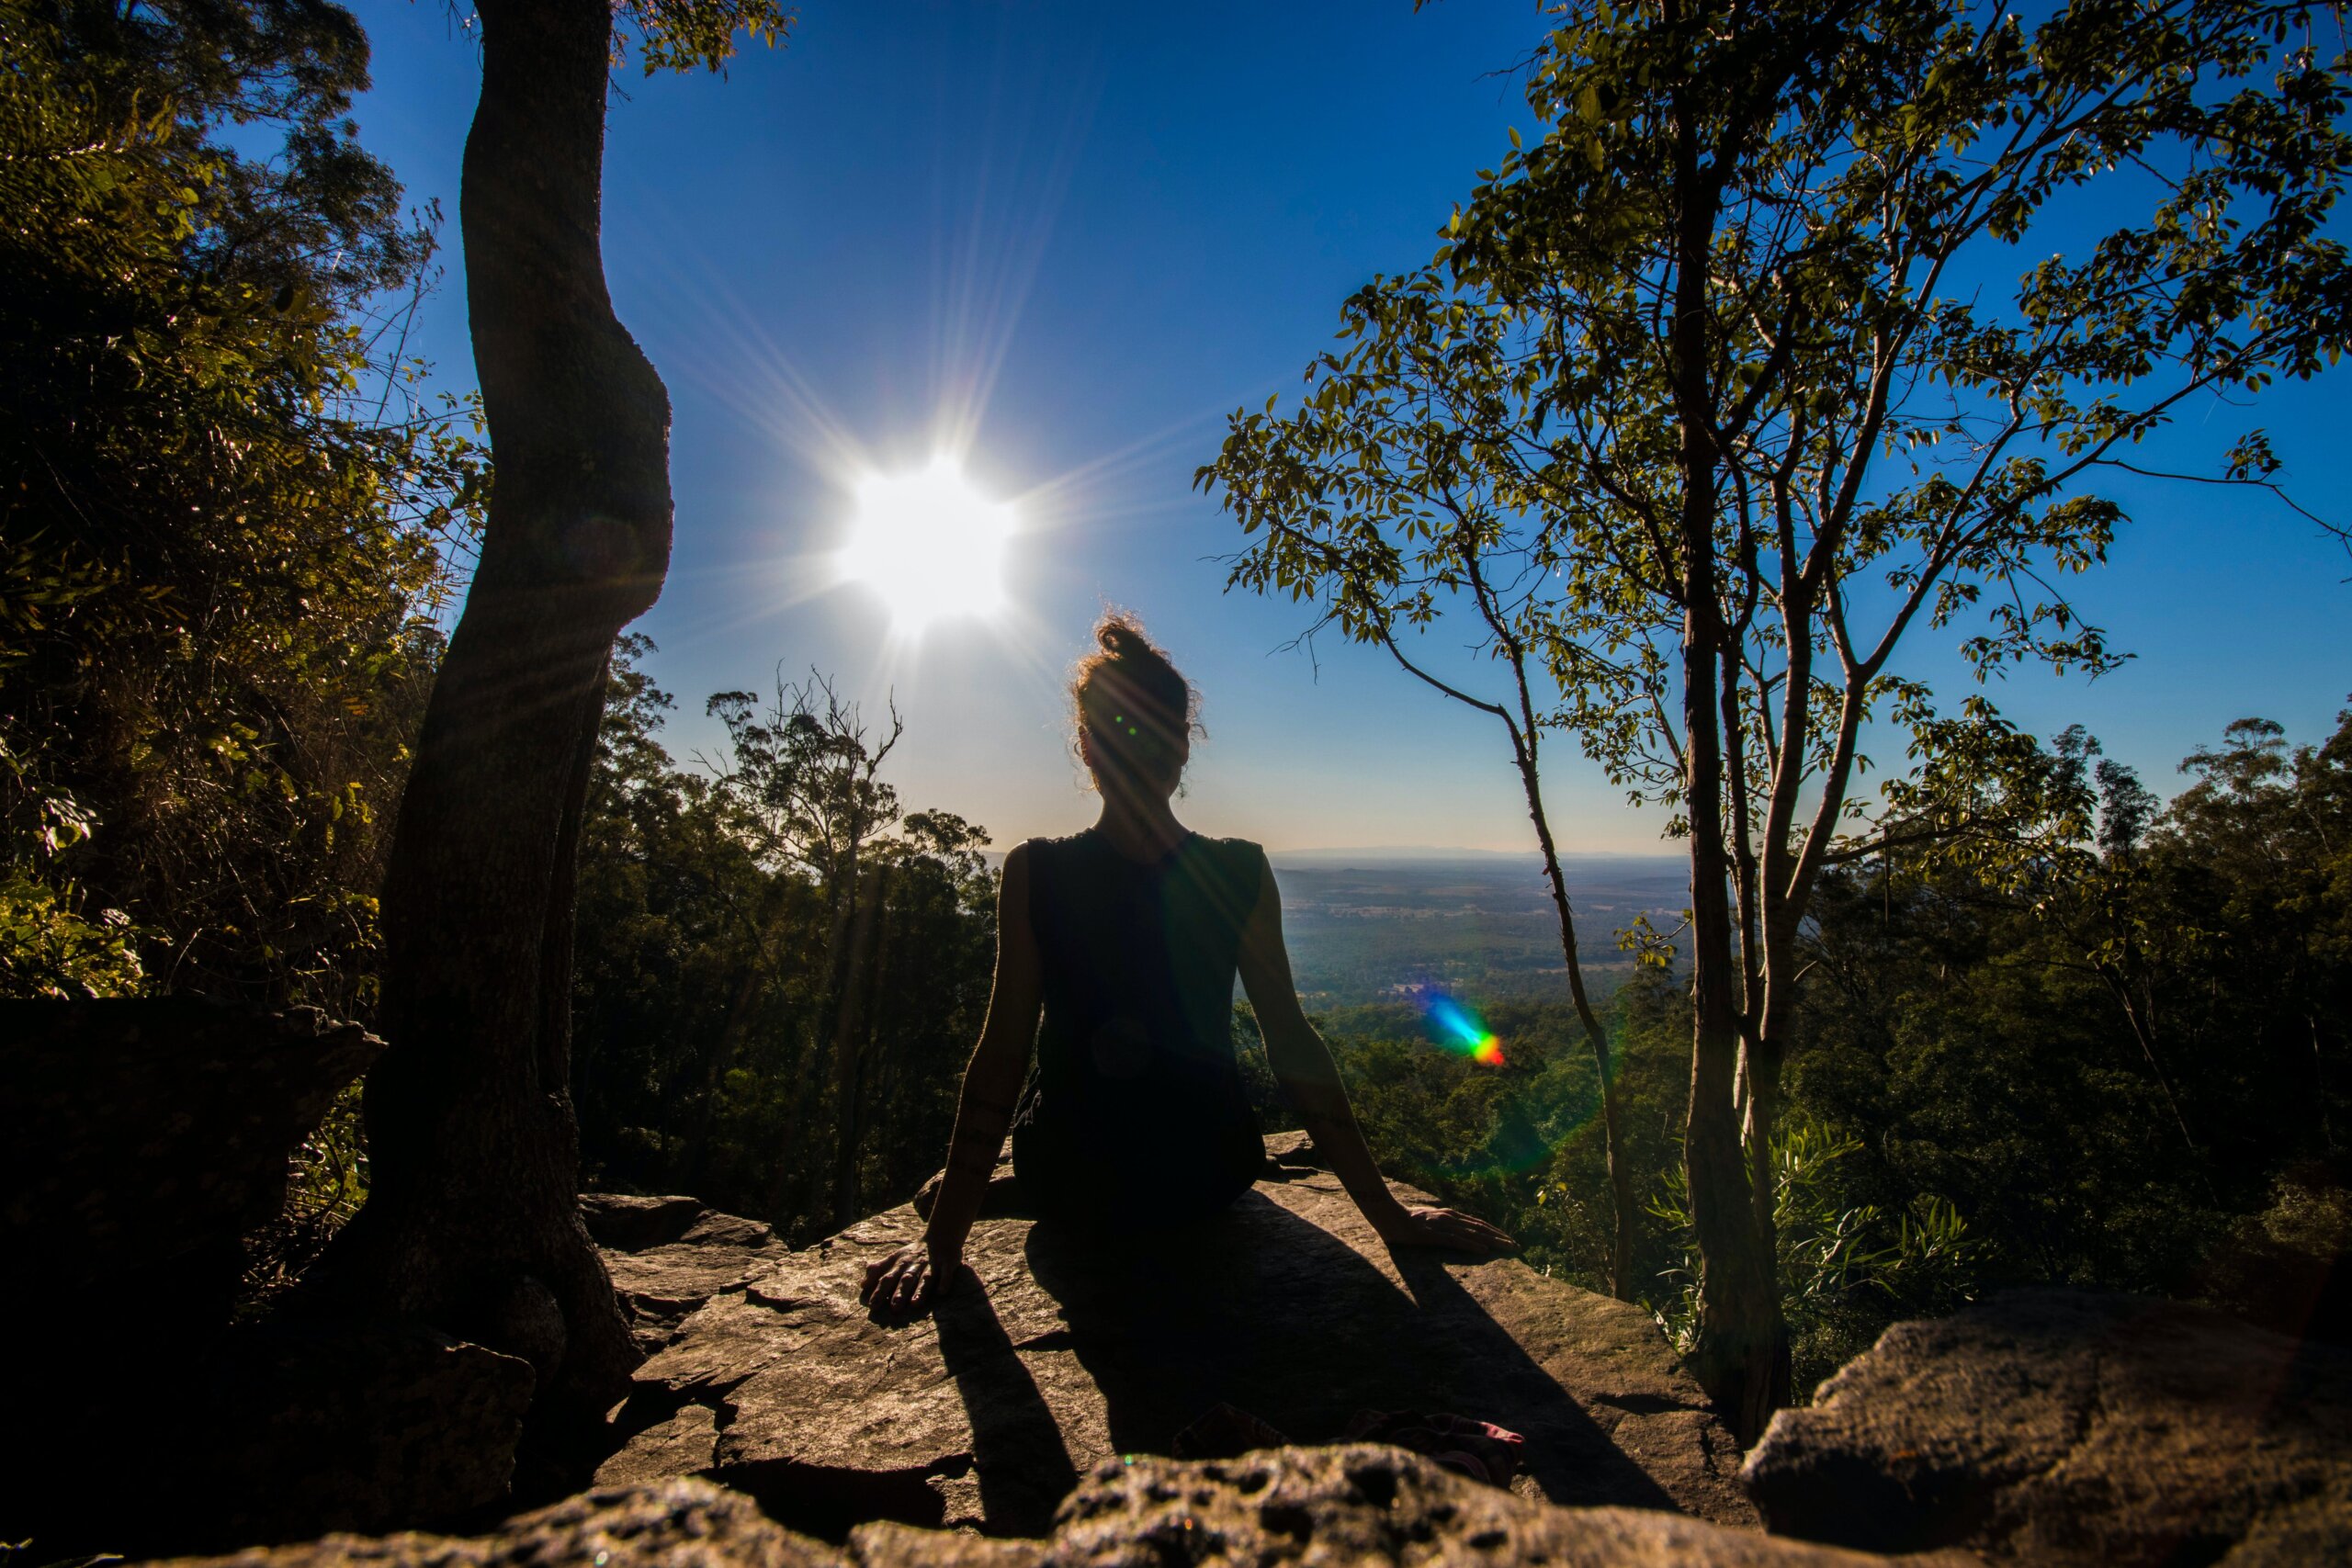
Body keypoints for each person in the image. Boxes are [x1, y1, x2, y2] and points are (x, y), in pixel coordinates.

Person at [861, 613, 1514, 1314]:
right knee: (1004, 1178)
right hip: (1205, 1170)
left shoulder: (1038, 871)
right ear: (1179, 748)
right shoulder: (1235, 870)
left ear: (1088, 748)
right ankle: (991, 1190)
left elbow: (1004, 1052)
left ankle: (990, 1190)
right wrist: (1390, 1218)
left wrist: (944, 1234)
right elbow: (1291, 1041)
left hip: (1077, 1177)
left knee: (982, 1177)